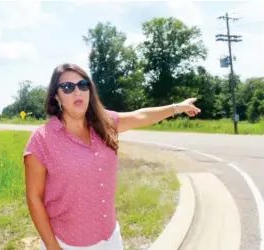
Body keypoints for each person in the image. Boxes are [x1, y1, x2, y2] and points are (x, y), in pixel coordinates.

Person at [23, 63, 201, 250]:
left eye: (83, 85)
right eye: (68, 87)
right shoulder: (42, 140)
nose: (77, 92)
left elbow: (141, 116)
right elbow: (34, 197)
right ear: (56, 96)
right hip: (67, 243)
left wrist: (177, 107)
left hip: (110, 238)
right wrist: (52, 247)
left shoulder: (104, 123)